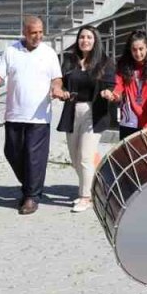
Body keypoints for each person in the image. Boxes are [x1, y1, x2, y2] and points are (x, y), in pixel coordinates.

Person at [0, 16, 67, 215]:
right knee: (12, 152)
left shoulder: (48, 53)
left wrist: (56, 89)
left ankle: (31, 196)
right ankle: (32, 184)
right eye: (33, 33)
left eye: (40, 32)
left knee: (34, 157)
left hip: (38, 116)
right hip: (14, 113)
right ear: (24, 32)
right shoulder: (11, 50)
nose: (38, 36)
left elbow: (57, 79)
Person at [57, 25, 112, 213]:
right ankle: (97, 185)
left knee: (85, 156)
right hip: (72, 110)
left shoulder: (104, 62)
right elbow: (61, 83)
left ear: (95, 40)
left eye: (89, 37)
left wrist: (108, 92)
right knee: (74, 157)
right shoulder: (70, 61)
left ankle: (85, 196)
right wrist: (61, 91)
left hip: (93, 110)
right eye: (82, 37)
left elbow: (112, 84)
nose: (85, 40)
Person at [101, 30, 147, 139]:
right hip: (128, 121)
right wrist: (112, 94)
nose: (138, 53)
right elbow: (118, 86)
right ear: (130, 50)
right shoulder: (123, 66)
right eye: (134, 50)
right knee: (127, 156)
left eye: (141, 49)